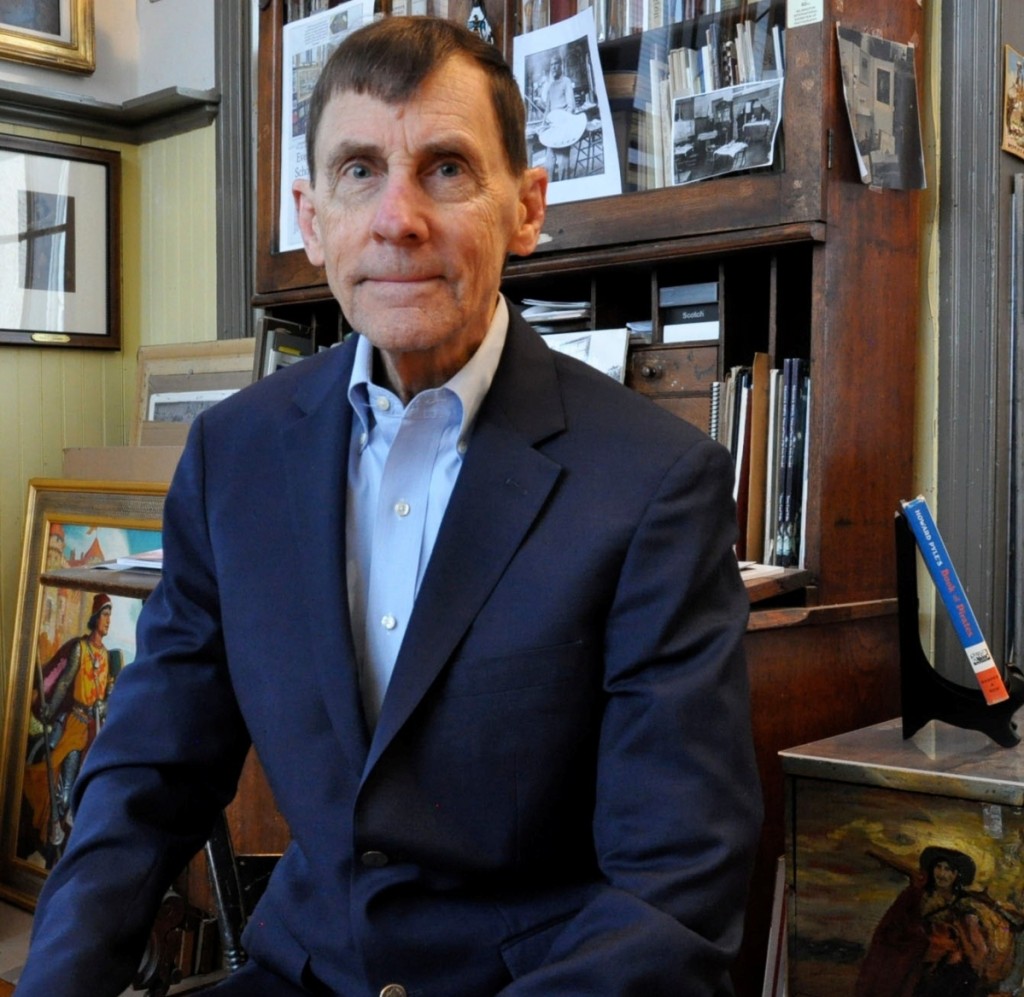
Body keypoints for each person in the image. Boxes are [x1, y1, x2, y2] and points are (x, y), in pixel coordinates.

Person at [16, 16, 761, 997]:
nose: (396, 217)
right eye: (359, 170)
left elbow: (674, 892)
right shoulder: (232, 455)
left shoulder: (657, 483)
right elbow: (148, 774)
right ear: (310, 214)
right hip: (299, 974)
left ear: (526, 208)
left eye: (445, 169)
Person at [21, 592, 121, 868]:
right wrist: (49, 709)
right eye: (105, 614)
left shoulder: (108, 657)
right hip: (74, 726)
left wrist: (105, 703)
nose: (108, 620)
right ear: (94, 617)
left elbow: (109, 696)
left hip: (94, 730)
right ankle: (51, 847)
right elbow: (65, 683)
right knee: (66, 793)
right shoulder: (80, 649)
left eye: (110, 615)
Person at [855, 846, 1020, 997]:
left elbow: (976, 942)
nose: (942, 874)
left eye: (948, 869)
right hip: (921, 961)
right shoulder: (921, 896)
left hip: (953, 968)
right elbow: (899, 926)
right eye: (938, 867)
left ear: (956, 875)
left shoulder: (964, 903)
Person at [539, 52, 576, 181]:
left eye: (556, 64)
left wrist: (564, 124)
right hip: (552, 127)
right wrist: (543, 126)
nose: (554, 67)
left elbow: (571, 107)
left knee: (563, 165)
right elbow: (548, 109)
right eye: (552, 65)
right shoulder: (549, 85)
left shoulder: (566, 82)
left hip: (564, 126)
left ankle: (564, 192)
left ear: (561, 65)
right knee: (548, 164)